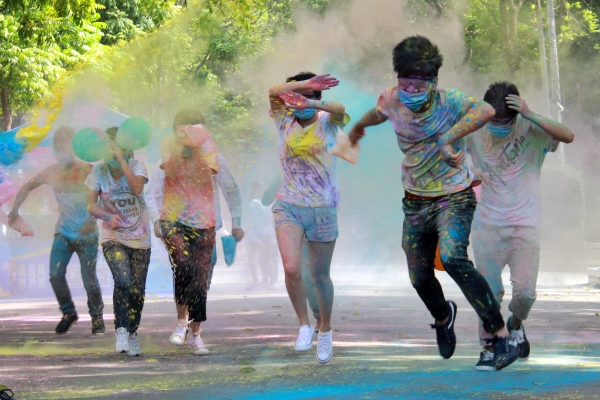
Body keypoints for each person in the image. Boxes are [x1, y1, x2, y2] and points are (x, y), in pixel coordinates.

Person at [347, 36, 518, 370]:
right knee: (419, 277)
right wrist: (356, 129)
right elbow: (377, 113)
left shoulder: (449, 102)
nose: (410, 89)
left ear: (433, 81)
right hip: (415, 203)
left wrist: (448, 137)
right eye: (404, 81)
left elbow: (486, 110)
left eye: (418, 82)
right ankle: (443, 317)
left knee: (453, 257)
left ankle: (500, 335)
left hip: (454, 197)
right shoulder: (391, 99)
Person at [466, 82, 575, 370]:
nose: (499, 126)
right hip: (487, 226)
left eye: (505, 121)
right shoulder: (475, 130)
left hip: (525, 224)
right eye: (494, 121)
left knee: (526, 294)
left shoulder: (533, 129)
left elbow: (568, 135)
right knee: (489, 293)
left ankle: (515, 325)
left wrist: (530, 113)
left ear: (515, 114)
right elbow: (443, 148)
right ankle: (489, 347)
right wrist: (466, 169)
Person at [268, 71, 349, 364]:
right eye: (296, 97)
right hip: (289, 204)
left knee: (320, 275)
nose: (300, 103)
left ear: (318, 98)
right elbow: (273, 90)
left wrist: (311, 102)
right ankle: (304, 325)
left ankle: (325, 329)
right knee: (292, 269)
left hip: (323, 206)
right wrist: (304, 87)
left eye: (310, 97)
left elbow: (340, 109)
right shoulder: (283, 119)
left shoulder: (328, 121)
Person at [8, 127, 104, 335]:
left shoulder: (89, 170)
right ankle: (68, 312)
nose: (61, 152)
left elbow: (105, 197)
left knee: (89, 279)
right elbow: (27, 187)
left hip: (87, 234)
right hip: (64, 233)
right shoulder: (51, 172)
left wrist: (95, 218)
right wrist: (14, 210)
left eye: (64, 147)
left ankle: (97, 317)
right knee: (55, 274)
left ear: (73, 148)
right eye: (57, 148)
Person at [149, 109, 220, 356]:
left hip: (204, 220)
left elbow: (206, 175)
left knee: (199, 278)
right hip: (173, 218)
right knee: (183, 266)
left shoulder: (209, 145)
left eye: (192, 125)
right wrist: (181, 146)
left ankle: (195, 334)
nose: (187, 129)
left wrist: (197, 146)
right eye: (182, 125)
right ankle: (181, 322)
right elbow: (169, 171)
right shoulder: (169, 144)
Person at [86, 127, 151, 356]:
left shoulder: (138, 167)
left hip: (140, 239)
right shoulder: (98, 172)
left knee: (137, 289)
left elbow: (137, 188)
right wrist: (107, 216)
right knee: (123, 280)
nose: (112, 156)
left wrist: (122, 161)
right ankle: (121, 329)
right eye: (109, 151)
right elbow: (91, 205)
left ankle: (132, 334)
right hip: (113, 237)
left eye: (117, 150)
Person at [147, 152, 244, 293]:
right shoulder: (166, 162)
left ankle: (197, 297)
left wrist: (237, 223)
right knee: (183, 267)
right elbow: (152, 195)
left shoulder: (213, 158)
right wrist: (157, 220)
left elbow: (231, 190)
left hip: (206, 225)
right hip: (177, 226)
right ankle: (187, 301)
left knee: (208, 264)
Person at [247, 181, 279, 290]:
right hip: (269, 230)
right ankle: (272, 282)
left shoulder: (254, 202)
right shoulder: (270, 203)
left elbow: (248, 210)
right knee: (268, 258)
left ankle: (255, 280)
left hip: (258, 230)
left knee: (251, 256)